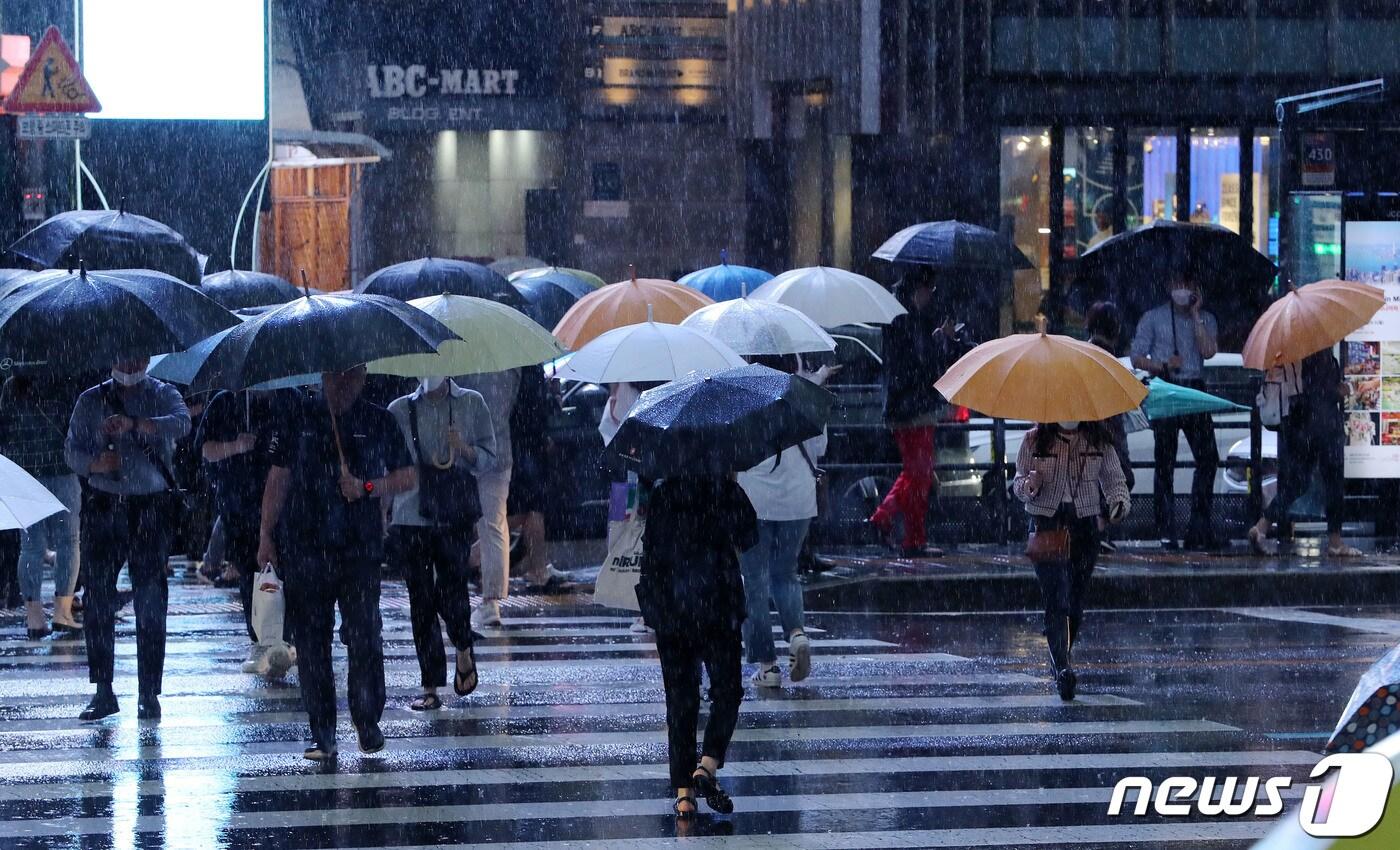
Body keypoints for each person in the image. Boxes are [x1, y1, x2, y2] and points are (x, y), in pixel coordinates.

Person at [257, 365, 416, 760]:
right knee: (312, 642)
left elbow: (407, 476)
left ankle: (367, 720)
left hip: (359, 547)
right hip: (305, 545)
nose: (342, 385)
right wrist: (265, 533)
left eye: (351, 376)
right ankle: (322, 731)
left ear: (363, 376)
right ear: (323, 377)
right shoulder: (298, 417)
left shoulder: (379, 419)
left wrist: (365, 487)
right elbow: (278, 477)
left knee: (364, 633)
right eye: (335, 376)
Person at [65, 357, 190, 721]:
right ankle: (103, 690)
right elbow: (71, 450)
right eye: (122, 356)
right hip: (104, 505)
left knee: (151, 601)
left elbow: (182, 424)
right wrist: (94, 464)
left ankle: (149, 692)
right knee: (98, 600)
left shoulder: (164, 393)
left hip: (150, 506)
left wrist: (138, 424)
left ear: (148, 359)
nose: (129, 363)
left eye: (136, 356)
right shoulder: (90, 400)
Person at [636, 473, 757, 818]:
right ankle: (707, 764)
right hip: (718, 604)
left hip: (672, 606)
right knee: (727, 690)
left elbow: (652, 550)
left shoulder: (663, 492)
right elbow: (749, 537)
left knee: (680, 698)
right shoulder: (724, 487)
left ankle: (684, 794)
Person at [387, 375, 495, 711]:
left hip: (453, 514)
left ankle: (463, 645)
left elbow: (490, 458)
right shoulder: (399, 410)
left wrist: (463, 448)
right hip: (410, 514)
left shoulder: (471, 402)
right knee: (420, 599)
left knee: (453, 589)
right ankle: (430, 684)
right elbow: (389, 463)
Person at [1012, 420, 1130, 701]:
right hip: (1046, 523)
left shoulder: (1098, 440)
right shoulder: (1034, 439)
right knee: (1056, 598)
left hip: (1084, 525)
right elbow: (1017, 484)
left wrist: (1118, 505)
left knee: (1076, 601)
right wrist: (1030, 484)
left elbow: (1116, 482)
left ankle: (1061, 657)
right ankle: (1062, 667)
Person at [868, 269, 974, 557]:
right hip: (914, 407)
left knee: (916, 474)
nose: (931, 297)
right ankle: (897, 528)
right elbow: (920, 365)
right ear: (920, 289)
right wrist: (941, 339)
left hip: (903, 405)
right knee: (920, 476)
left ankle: (905, 532)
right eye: (930, 290)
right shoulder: (907, 318)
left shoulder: (896, 313)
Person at [737, 354, 825, 689]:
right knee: (785, 574)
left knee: (754, 582)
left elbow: (734, 451)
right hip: (799, 498)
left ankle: (768, 665)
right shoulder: (804, 395)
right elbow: (821, 446)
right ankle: (797, 634)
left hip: (754, 499)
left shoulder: (744, 397)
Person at [198, 387, 299, 675]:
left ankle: (285, 638)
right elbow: (206, 450)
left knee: (285, 570)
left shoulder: (290, 399)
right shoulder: (225, 401)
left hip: (285, 504)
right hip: (238, 506)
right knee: (249, 573)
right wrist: (237, 446)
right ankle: (261, 641)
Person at [1130, 278, 1221, 550]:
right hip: (1166, 386)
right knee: (1165, 460)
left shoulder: (1205, 319)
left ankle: (1199, 526)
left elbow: (1209, 351)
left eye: (1189, 285)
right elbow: (1136, 357)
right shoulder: (1154, 317)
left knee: (1208, 458)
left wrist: (1196, 316)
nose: (1183, 290)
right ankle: (1165, 527)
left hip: (1194, 387)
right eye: (1178, 284)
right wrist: (1161, 364)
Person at [1249, 350, 1361, 558]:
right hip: (1323, 427)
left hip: (1301, 425)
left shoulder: (1298, 353)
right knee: (1333, 482)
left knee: (1297, 483)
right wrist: (1342, 390)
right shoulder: (1319, 353)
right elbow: (1321, 392)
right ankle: (1335, 542)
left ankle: (1261, 527)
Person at [1, 376, 82, 640]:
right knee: (68, 541)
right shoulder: (64, 380)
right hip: (61, 467)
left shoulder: (11, 383)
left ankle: (34, 618)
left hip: (23, 470)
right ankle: (63, 612)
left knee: (31, 545)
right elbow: (74, 425)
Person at [456, 368, 519, 628]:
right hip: (500, 449)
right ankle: (491, 600)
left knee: (459, 524)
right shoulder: (511, 368)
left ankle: (449, 589)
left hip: (466, 450)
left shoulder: (463, 364)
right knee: (494, 525)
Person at [507, 365, 572, 592]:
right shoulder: (528, 369)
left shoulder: (523, 368)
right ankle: (474, 557)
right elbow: (530, 408)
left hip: (524, 444)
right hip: (526, 446)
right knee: (531, 509)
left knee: (530, 510)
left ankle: (538, 566)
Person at [1085, 302, 1135, 553]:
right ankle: (1099, 527)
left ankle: (1098, 528)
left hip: (1093, 426)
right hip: (1106, 428)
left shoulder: (1087, 353)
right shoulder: (1107, 357)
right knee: (1121, 477)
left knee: (1101, 478)